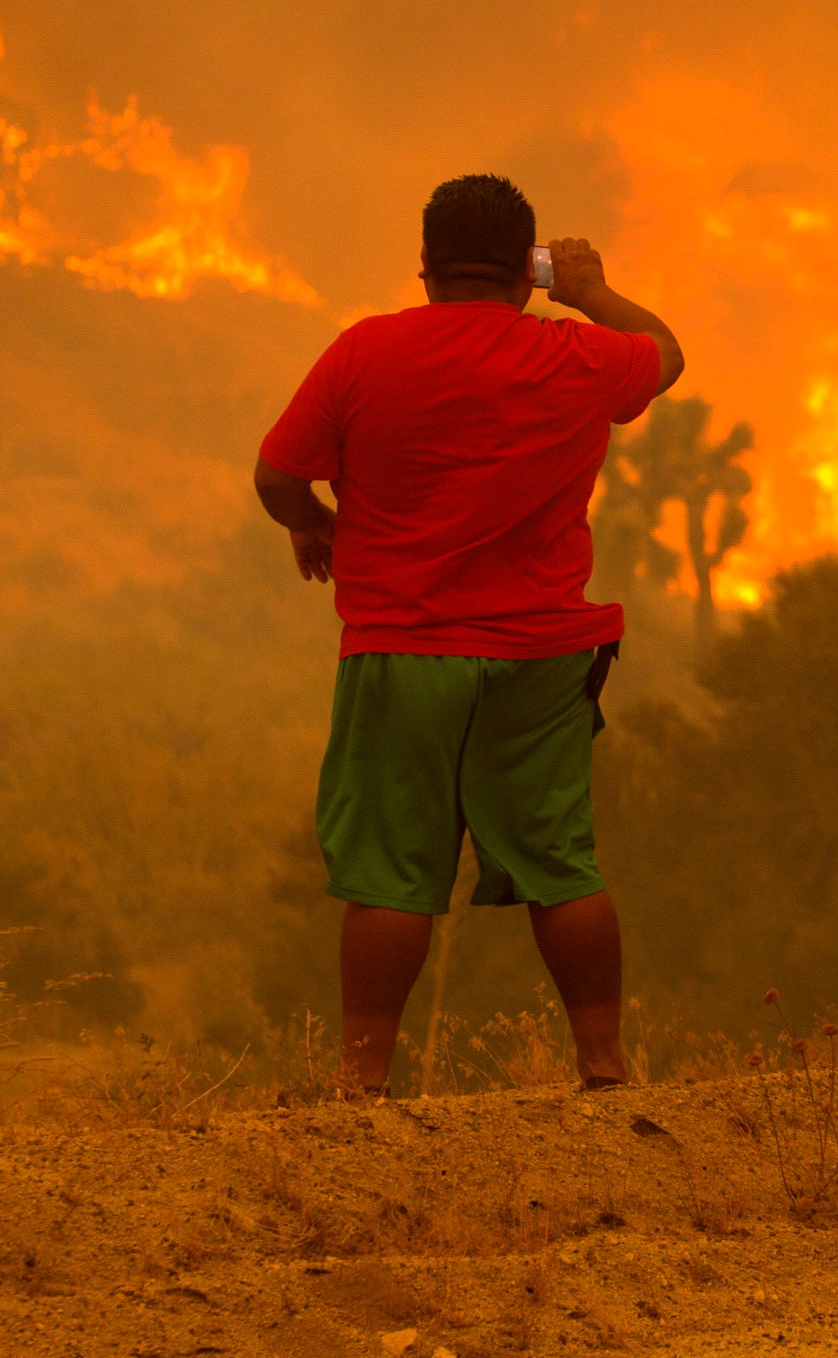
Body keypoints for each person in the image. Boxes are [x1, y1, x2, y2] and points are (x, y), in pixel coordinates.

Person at [254, 173, 683, 1095]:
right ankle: (603, 1064)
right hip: (540, 655)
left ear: (425, 268)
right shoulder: (574, 356)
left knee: (389, 871)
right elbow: (665, 354)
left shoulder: (363, 354)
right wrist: (592, 289)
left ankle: (363, 1079)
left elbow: (277, 472)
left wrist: (314, 525)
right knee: (562, 864)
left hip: (399, 650)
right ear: (525, 275)